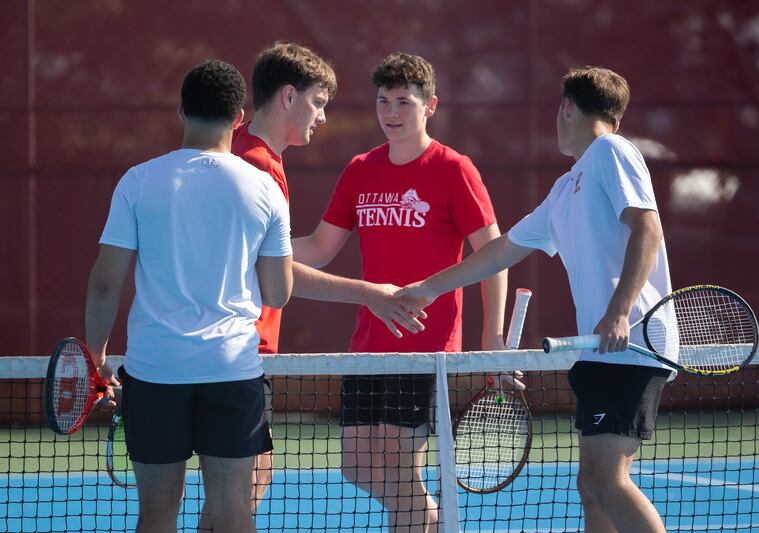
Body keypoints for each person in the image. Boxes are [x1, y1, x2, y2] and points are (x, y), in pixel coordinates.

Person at [397, 66, 672, 532]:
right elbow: (501, 251)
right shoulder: (565, 189)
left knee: (606, 480)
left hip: (631, 342)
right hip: (599, 351)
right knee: (592, 486)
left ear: (566, 107)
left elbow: (647, 226)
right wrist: (427, 288)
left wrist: (620, 311)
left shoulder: (610, 150)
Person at [197, 42, 426, 533]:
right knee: (239, 499)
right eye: (318, 102)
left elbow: (261, 257)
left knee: (226, 499)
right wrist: (372, 294)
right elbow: (275, 277)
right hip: (239, 353)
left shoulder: (230, 147)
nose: (322, 116)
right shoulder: (259, 167)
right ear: (287, 97)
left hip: (211, 350)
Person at [292, 52, 508, 533]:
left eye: (403, 102)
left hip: (424, 347)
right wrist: (255, 250)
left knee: (398, 466)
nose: (391, 112)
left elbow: (493, 257)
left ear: (430, 106)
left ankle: (424, 522)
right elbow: (319, 247)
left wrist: (492, 336)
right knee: (355, 464)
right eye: (383, 101)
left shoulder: (455, 169)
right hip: (368, 345)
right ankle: (430, 521)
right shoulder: (359, 170)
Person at [85, 59, 293, 533]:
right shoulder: (265, 188)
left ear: (180, 111)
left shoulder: (138, 181)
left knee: (157, 515)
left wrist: (96, 353)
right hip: (232, 370)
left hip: (155, 371)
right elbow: (278, 293)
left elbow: (103, 282)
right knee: (232, 512)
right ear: (239, 117)